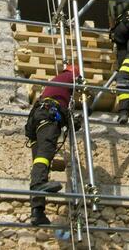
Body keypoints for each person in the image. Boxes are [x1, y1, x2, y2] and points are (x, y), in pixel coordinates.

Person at [25, 61, 80, 227]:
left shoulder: (55, 85)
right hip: (48, 116)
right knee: (45, 154)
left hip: (35, 120)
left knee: (40, 161)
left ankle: (37, 211)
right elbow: (77, 100)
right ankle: (40, 186)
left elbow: (66, 106)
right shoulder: (69, 77)